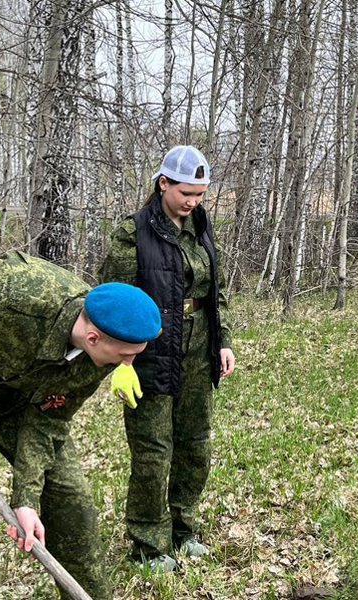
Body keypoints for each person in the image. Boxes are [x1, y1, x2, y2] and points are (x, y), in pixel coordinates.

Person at [0, 248, 161, 600]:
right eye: (127, 355)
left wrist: (26, 499)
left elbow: (48, 421)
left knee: (71, 502)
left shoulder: (99, 356)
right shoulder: (12, 292)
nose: (129, 363)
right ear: (93, 337)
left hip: (20, 397)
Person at [98, 145, 236, 572]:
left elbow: (217, 290)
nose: (193, 201)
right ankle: (148, 543)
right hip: (152, 354)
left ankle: (183, 528)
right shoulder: (133, 232)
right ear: (163, 184)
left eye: (200, 193)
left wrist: (224, 340)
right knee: (154, 451)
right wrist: (121, 363)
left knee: (195, 444)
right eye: (185, 193)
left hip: (198, 351)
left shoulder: (200, 225)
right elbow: (112, 300)